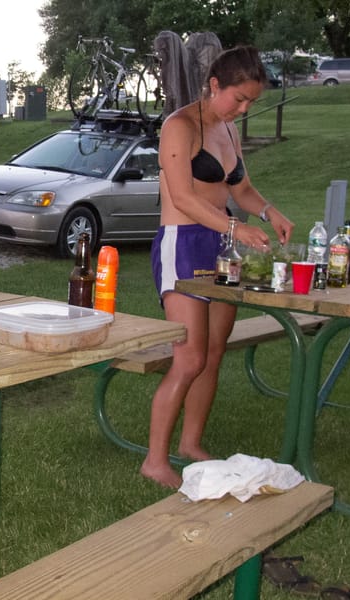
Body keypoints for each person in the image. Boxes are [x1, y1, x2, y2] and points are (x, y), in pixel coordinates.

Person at [142, 47, 294, 488]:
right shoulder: (179, 126)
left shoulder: (227, 127)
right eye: (239, 99)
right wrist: (236, 227)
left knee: (211, 354)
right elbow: (184, 196)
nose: (243, 109)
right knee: (188, 358)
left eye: (251, 102)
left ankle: (190, 444)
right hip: (184, 244)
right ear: (214, 85)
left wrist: (269, 212)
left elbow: (240, 188)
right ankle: (155, 460)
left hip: (223, 245)